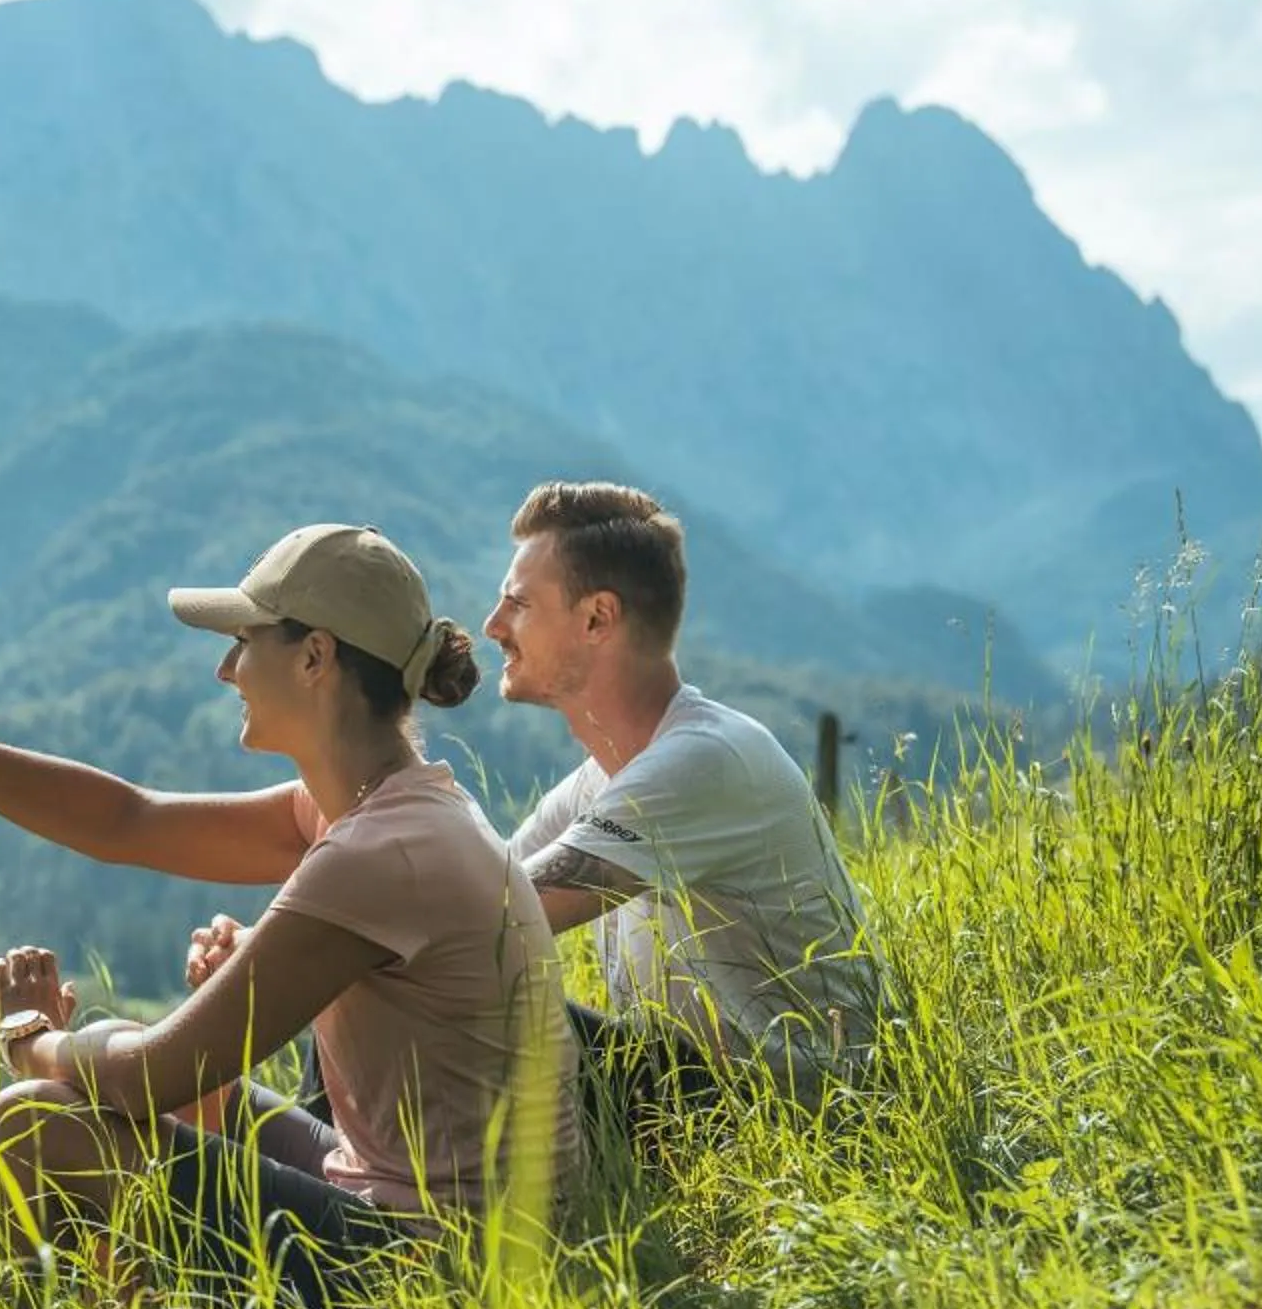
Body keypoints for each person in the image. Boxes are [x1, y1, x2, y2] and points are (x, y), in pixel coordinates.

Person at [0, 523, 580, 1309]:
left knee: (32, 1124)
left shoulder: (379, 852)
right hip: (414, 1206)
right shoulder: (383, 808)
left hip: (443, 1273)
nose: (227, 668)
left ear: (315, 657)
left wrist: (30, 1040)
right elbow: (129, 821)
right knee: (108, 1072)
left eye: (245, 640)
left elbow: (157, 1073)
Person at [187, 483, 882, 1141]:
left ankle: (328, 1208)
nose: (491, 626)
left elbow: (481, 922)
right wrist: (291, 950)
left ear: (596, 618)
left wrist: (283, 955)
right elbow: (455, 896)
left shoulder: (706, 760)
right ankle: (318, 1179)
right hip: (699, 1092)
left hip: (783, 1114)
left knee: (401, 969)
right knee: (385, 954)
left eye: (517, 604)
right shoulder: (601, 782)